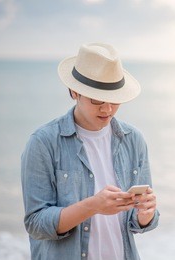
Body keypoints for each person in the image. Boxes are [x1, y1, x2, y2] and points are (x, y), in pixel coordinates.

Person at [21, 42, 159, 260]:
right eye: (97, 100)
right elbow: (36, 224)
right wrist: (93, 205)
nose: (107, 109)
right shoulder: (43, 142)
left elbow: (137, 223)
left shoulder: (134, 140)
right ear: (74, 92)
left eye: (114, 100)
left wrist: (146, 214)